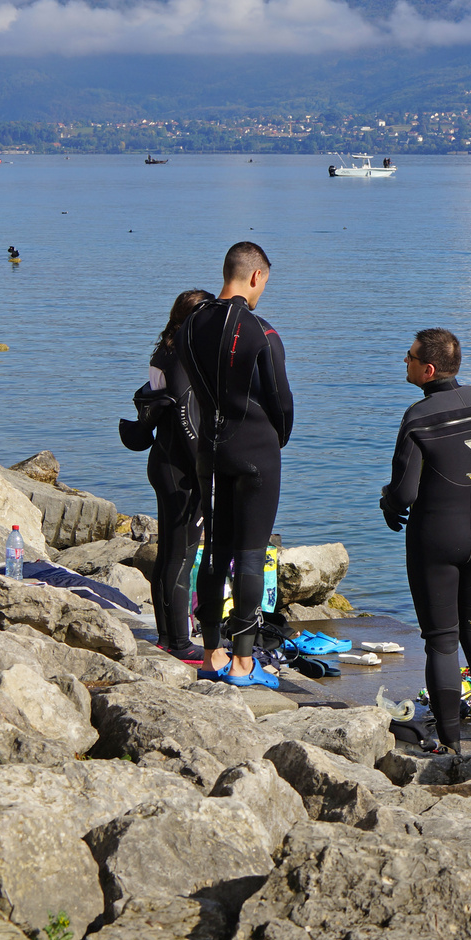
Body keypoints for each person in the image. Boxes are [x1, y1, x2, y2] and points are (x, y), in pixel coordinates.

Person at [380, 328, 471, 758]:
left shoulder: (419, 417)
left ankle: (452, 749)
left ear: (428, 369)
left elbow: (404, 494)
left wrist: (386, 501)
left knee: (441, 641)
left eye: (410, 356)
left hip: (435, 541)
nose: (405, 360)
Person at [179, 242, 294, 688]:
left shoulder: (190, 325)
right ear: (255, 276)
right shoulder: (261, 331)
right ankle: (244, 662)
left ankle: (211, 654)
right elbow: (281, 401)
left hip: (210, 447)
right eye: (265, 282)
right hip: (256, 450)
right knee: (249, 553)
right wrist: (274, 439)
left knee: (214, 551)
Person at [142, 288, 212, 663]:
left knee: (168, 552)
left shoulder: (163, 351)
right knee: (181, 555)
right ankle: (180, 643)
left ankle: (166, 636)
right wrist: (207, 473)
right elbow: (188, 419)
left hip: (163, 462)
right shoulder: (183, 356)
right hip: (181, 469)